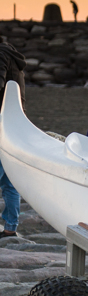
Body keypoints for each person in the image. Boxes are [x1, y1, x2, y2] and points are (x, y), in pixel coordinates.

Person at [0, 37, 25, 237]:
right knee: (10, 179)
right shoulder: (12, 56)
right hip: (16, 122)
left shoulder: (1, 54)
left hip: (2, 121)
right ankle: (10, 227)